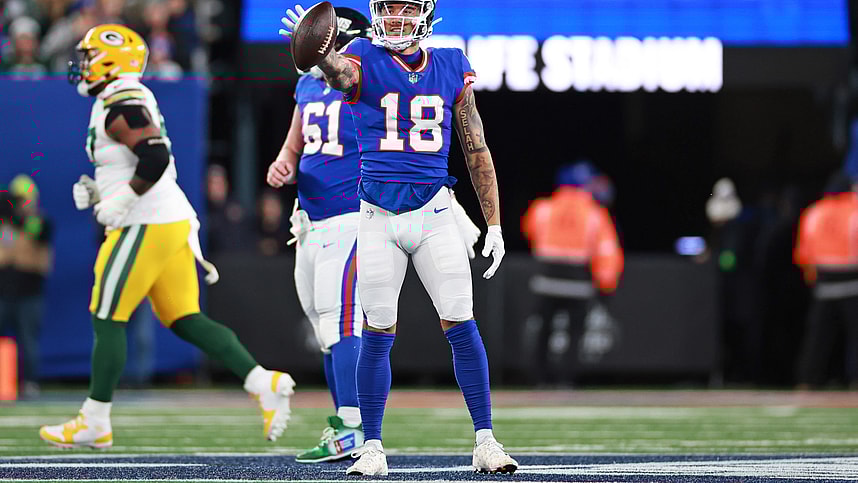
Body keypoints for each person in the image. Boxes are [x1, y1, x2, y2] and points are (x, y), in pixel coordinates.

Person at [280, 0, 516, 475]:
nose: (397, 21)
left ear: (426, 16)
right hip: (377, 216)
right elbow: (340, 75)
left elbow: (476, 147)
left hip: (434, 212)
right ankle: (371, 446)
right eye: (389, 11)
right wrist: (317, 48)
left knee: (460, 321)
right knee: (377, 329)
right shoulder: (364, 56)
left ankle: (486, 440)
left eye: (407, 11)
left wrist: (493, 222)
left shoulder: (451, 63)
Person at [39, 24, 295, 449]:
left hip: (147, 222)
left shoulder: (121, 101)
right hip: (167, 219)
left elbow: (155, 155)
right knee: (185, 319)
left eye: (87, 57)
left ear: (110, 61)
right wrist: (105, 190)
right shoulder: (122, 97)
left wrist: (119, 203)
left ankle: (95, 418)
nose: (80, 66)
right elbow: (137, 159)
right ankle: (261, 381)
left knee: (107, 314)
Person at [521, 162, 624, 385]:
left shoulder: (543, 208)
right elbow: (607, 251)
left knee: (544, 330)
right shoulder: (595, 214)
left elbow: (529, 230)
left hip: (546, 279)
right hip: (578, 283)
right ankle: (565, 382)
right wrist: (606, 282)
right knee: (575, 333)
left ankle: (539, 380)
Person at [793, 172, 858, 388]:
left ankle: (808, 380)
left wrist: (814, 280)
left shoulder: (814, 212)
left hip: (824, 282)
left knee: (817, 337)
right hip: (853, 280)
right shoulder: (855, 208)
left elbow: (804, 256)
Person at [0, 174, 53, 398]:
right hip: (3, 291)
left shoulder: (39, 222)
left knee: (28, 340)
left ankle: (30, 382)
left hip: (29, 293)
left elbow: (34, 232)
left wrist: (14, 216)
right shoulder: (4, 224)